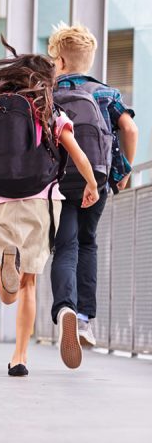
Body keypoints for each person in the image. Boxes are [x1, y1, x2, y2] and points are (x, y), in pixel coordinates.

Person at [0, 39, 99, 377]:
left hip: (1, 202)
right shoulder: (50, 111)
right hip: (41, 201)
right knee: (29, 284)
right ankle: (22, 354)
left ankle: (8, 266)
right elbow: (77, 153)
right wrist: (91, 184)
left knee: (8, 293)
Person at [47, 23, 138, 365]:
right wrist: (124, 170)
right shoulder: (107, 94)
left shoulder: (48, 94)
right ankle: (83, 320)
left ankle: (65, 307)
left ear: (60, 60)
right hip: (96, 181)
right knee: (87, 243)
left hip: (58, 181)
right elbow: (130, 127)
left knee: (64, 246)